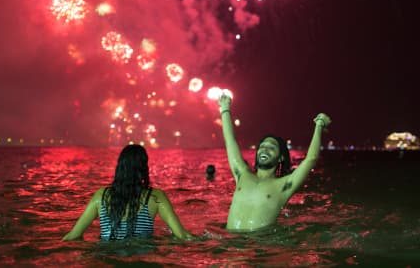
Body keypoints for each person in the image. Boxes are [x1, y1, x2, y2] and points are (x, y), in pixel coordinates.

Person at [218, 93, 332, 232]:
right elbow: (230, 141)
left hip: (256, 247)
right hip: (227, 242)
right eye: (262, 146)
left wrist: (319, 125)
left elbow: (311, 159)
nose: (265, 150)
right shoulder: (242, 174)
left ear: (280, 158)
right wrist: (225, 108)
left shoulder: (284, 186)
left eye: (271, 148)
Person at [62, 144, 193, 241]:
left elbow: (74, 235)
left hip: (106, 257)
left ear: (119, 167)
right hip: (140, 258)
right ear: (143, 168)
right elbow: (181, 235)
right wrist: (208, 240)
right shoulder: (155, 197)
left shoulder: (101, 196)